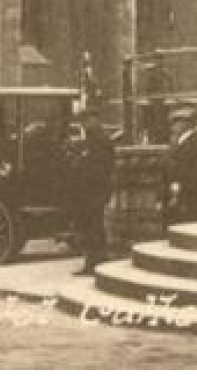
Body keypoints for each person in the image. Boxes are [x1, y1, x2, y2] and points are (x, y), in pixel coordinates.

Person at [66, 109, 115, 274]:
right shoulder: (92, 139)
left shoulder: (100, 140)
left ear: (95, 120)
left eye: (86, 121)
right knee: (90, 227)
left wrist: (80, 162)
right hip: (89, 191)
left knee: (94, 226)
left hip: (95, 190)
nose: (84, 124)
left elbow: (102, 167)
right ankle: (94, 261)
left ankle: (96, 261)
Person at [163, 108, 197, 224]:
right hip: (174, 194)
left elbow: (193, 171)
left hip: (186, 196)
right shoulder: (177, 141)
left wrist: (179, 193)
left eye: (176, 122)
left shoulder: (194, 142)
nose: (173, 126)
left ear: (186, 124)